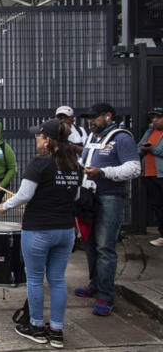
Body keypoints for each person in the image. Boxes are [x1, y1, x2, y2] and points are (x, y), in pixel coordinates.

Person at [0, 119, 81, 348]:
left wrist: (5, 206)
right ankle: (56, 330)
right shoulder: (75, 164)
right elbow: (75, 197)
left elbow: (25, 194)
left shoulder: (40, 163)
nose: (36, 139)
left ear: (47, 140)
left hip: (39, 229)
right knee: (57, 280)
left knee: (35, 279)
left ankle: (36, 327)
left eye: (39, 136)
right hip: (65, 230)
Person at [75, 102, 140, 316]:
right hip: (89, 197)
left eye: (94, 117)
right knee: (90, 243)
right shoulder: (92, 137)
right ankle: (95, 283)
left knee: (105, 247)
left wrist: (103, 172)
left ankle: (105, 295)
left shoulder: (122, 138)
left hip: (110, 197)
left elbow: (133, 168)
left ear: (108, 116)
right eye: (89, 118)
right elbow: (83, 161)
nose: (90, 121)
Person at [139, 107, 163, 247]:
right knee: (157, 205)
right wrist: (144, 147)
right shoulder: (150, 131)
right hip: (149, 173)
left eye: (158, 117)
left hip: (161, 174)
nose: (154, 120)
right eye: (153, 118)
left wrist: (151, 148)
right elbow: (138, 147)